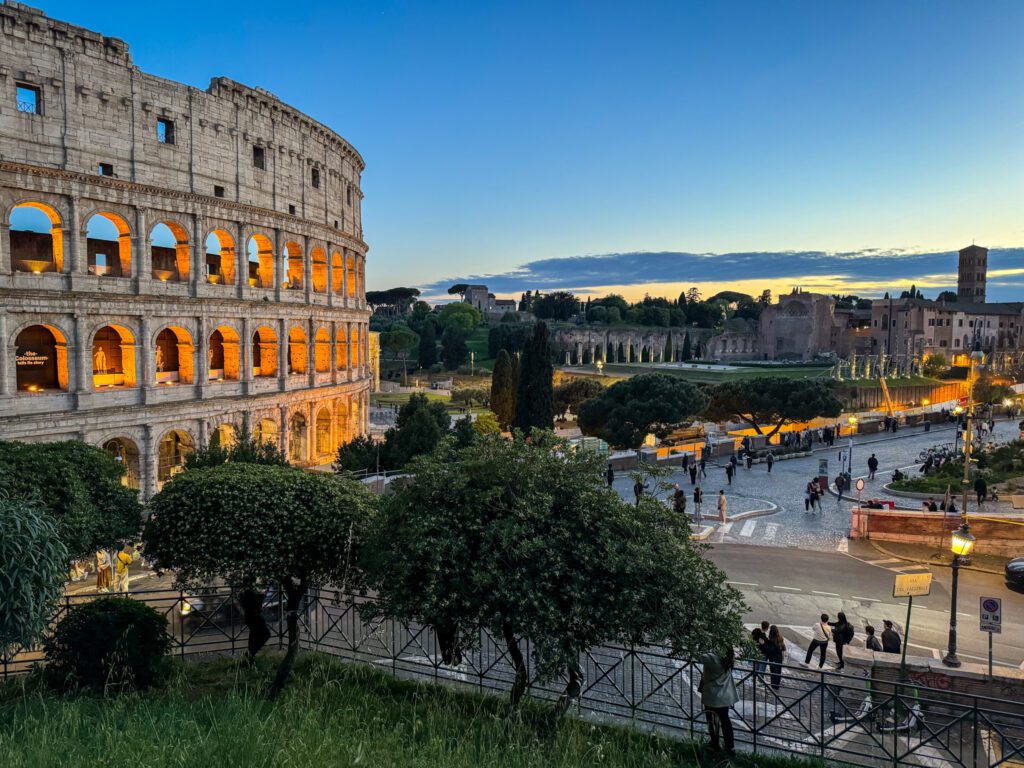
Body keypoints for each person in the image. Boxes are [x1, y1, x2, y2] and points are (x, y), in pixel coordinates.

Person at [699, 647, 738, 757]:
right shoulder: (728, 657)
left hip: (712, 695)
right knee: (725, 721)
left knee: (710, 720)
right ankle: (730, 748)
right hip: (725, 695)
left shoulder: (713, 658)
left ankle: (714, 744)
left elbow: (698, 655)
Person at [764, 625, 786, 690]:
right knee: (778, 671)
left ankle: (774, 685)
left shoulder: (772, 639)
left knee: (773, 672)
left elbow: (770, 649)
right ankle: (777, 685)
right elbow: (784, 648)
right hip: (779, 657)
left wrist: (763, 644)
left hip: (773, 658)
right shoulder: (780, 637)